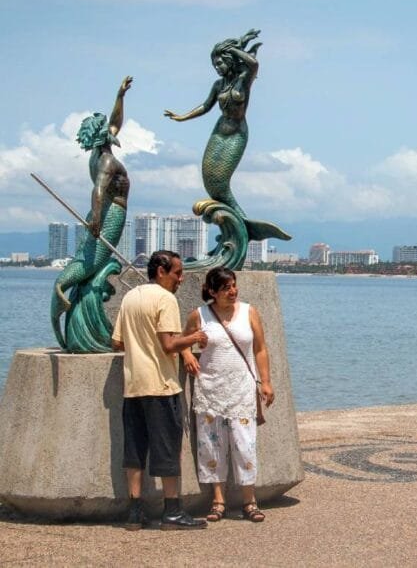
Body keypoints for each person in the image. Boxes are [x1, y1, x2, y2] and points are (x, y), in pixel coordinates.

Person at [111, 250, 209, 530]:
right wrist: (194, 338)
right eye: (177, 273)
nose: (181, 278)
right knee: (167, 449)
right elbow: (168, 345)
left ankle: (134, 512)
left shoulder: (130, 297)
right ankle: (172, 511)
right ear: (161, 271)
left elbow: (117, 342)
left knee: (135, 450)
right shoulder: (166, 299)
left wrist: (141, 346)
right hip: (161, 385)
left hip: (133, 385)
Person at [164, 29, 289, 242]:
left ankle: (242, 225)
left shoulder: (244, 80)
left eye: (220, 63)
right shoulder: (218, 85)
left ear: (230, 60)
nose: (217, 68)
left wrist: (233, 49)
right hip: (219, 131)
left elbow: (254, 64)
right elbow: (205, 106)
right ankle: (240, 226)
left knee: (220, 181)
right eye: (214, 65)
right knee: (210, 181)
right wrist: (181, 117)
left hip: (237, 133)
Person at [181, 267, 275, 523]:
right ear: (212, 292)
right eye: (226, 288)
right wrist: (188, 354)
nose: (232, 291)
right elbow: (183, 340)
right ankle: (218, 500)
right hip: (210, 389)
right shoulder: (199, 315)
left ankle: (249, 500)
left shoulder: (249, 312)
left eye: (233, 285)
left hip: (242, 389)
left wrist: (265, 381)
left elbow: (260, 349)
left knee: (245, 445)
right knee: (211, 447)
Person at [52, 76, 133, 351]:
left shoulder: (98, 154)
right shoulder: (107, 161)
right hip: (110, 213)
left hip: (102, 211)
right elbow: (98, 191)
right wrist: (97, 219)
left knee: (91, 260)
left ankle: (69, 293)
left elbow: (115, 121)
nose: (112, 129)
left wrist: (119, 95)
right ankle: (62, 287)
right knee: (92, 262)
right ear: (102, 135)